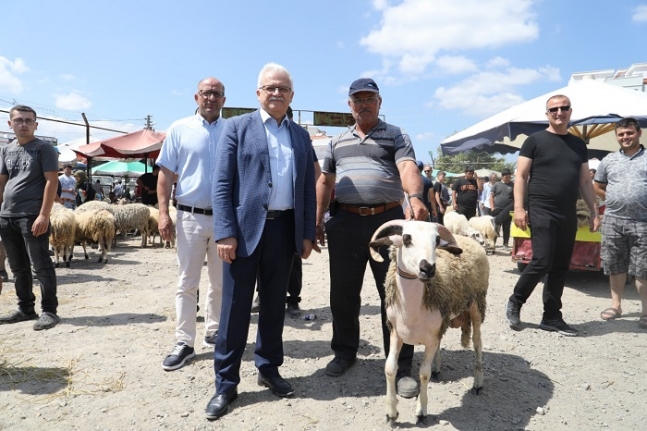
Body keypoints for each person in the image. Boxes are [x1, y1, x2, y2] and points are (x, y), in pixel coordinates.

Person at [206, 63, 316, 419]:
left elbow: (308, 190)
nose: (276, 93)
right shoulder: (237, 128)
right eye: (269, 87)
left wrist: (307, 233)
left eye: (283, 88)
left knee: (273, 305)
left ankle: (269, 368)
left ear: (292, 96)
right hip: (244, 232)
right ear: (258, 93)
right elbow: (221, 184)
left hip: (284, 231)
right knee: (235, 310)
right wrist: (224, 232)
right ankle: (226, 383)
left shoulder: (300, 137)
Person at [315, 78, 428, 400]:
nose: (363, 104)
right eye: (357, 99)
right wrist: (317, 220)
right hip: (345, 222)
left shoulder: (396, 134)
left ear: (379, 102)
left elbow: (406, 166)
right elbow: (325, 181)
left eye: (369, 98)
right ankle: (344, 353)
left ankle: (401, 365)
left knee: (395, 295)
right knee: (343, 294)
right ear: (349, 105)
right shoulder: (337, 142)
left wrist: (415, 196)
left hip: (387, 222)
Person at [505, 95, 600, 336]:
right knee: (541, 261)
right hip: (541, 208)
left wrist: (593, 211)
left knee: (560, 265)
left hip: (567, 211)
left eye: (563, 108)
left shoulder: (578, 144)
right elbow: (522, 176)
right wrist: (519, 207)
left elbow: (585, 181)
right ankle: (516, 300)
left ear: (570, 111)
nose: (559, 112)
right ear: (547, 114)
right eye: (553, 109)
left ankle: (551, 317)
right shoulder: (534, 141)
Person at [156, 77, 227, 371]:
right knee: (187, 281)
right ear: (196, 97)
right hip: (189, 216)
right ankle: (184, 341)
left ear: (224, 100)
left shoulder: (232, 130)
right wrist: (162, 213)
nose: (211, 98)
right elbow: (165, 175)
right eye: (206, 93)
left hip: (224, 218)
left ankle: (215, 332)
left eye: (216, 94)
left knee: (221, 282)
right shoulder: (179, 129)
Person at [0, 105, 60, 330]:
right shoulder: (6, 150)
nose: (23, 124)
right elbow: (2, 182)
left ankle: (49, 311)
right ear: (10, 124)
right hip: (7, 216)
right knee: (17, 267)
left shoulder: (43, 149)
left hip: (32, 215)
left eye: (28, 120)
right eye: (18, 120)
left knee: (41, 265)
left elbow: (51, 181)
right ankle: (25, 308)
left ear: (36, 124)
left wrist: (44, 214)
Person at [593, 118, 647, 329]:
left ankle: (645, 311)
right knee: (615, 265)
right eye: (621, 134)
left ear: (638, 133)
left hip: (643, 221)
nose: (625, 137)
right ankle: (616, 306)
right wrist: (613, 197)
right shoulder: (609, 160)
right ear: (617, 137)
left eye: (629, 133)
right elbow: (597, 186)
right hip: (613, 220)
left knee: (643, 268)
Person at [490, 169, 514, 248]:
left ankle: (505, 243)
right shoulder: (497, 185)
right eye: (506, 177)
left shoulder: (513, 185)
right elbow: (491, 197)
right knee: (496, 226)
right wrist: (492, 207)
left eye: (509, 177)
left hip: (508, 209)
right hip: (498, 209)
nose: (508, 178)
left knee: (506, 227)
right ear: (502, 177)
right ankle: (493, 243)